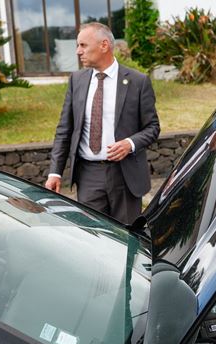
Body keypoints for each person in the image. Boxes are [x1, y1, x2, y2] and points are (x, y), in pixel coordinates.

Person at [45, 22, 160, 225]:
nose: (78, 51)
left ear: (104, 45)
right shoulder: (77, 80)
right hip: (88, 175)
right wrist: (55, 172)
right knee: (93, 238)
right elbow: (65, 129)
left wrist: (130, 144)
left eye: (83, 45)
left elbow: (152, 127)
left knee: (127, 240)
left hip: (125, 176)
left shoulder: (137, 81)